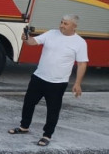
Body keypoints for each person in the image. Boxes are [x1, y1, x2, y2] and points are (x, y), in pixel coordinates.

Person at [8, 15, 88, 146]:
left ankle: (47, 135)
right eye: (61, 22)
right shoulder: (52, 33)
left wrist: (77, 83)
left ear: (74, 26)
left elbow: (82, 64)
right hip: (39, 77)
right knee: (28, 103)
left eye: (66, 24)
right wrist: (26, 38)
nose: (62, 25)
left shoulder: (79, 42)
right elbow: (33, 42)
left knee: (53, 110)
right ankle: (24, 127)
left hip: (57, 83)